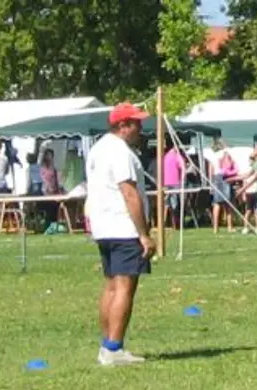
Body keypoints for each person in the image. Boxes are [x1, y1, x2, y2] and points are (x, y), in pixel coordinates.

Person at [87, 103, 155, 365]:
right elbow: (129, 192)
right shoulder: (120, 151)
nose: (140, 128)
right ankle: (114, 348)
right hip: (123, 226)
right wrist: (144, 233)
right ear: (123, 125)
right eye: (136, 123)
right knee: (125, 287)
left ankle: (107, 345)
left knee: (112, 286)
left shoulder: (98, 148)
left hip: (104, 226)